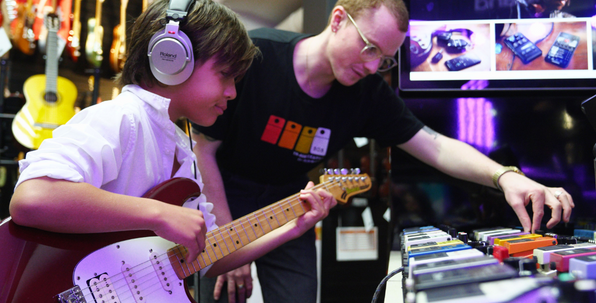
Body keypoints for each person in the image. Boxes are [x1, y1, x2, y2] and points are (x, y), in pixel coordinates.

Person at [191, 0, 575, 302]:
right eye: (369, 47)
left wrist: (505, 176)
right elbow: (203, 149)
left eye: (385, 58)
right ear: (338, 19)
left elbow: (435, 145)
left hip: (291, 203)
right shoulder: (257, 55)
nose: (373, 66)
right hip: (223, 196)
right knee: (222, 291)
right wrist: (228, 240)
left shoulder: (367, 95)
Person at [8, 0, 336, 283]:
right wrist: (159, 214)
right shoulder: (120, 118)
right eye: (225, 74)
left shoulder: (180, 148)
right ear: (172, 59)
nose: (233, 92)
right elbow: (32, 197)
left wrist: (292, 226)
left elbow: (208, 257)